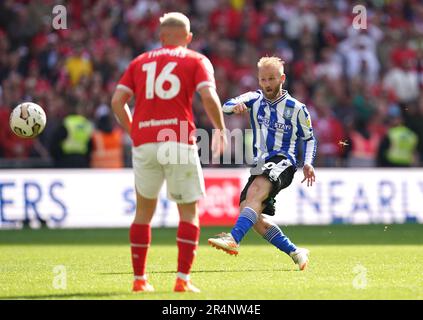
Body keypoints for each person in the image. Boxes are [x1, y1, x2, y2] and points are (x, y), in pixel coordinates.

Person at [111, 12, 227, 293]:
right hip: (177, 139)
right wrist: (220, 129)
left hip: (145, 141)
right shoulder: (196, 60)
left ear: (160, 36)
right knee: (188, 213)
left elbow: (117, 101)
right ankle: (182, 280)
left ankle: (140, 280)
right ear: (188, 38)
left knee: (143, 213)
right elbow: (208, 96)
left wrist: (134, 130)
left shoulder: (139, 62)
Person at [208, 57, 317, 271]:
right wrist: (236, 107)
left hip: (283, 161)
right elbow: (226, 106)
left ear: (282, 79)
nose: (267, 83)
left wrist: (308, 163)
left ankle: (234, 239)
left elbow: (310, 138)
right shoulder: (254, 98)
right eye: (263, 79)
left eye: (271, 79)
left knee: (255, 193)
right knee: (250, 212)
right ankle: (295, 252)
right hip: (260, 164)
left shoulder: (297, 108)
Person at [49, 102, 94, 168]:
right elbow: (90, 145)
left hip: (66, 160)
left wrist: (58, 159)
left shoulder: (65, 123)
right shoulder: (86, 124)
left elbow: (54, 145)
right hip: (82, 161)